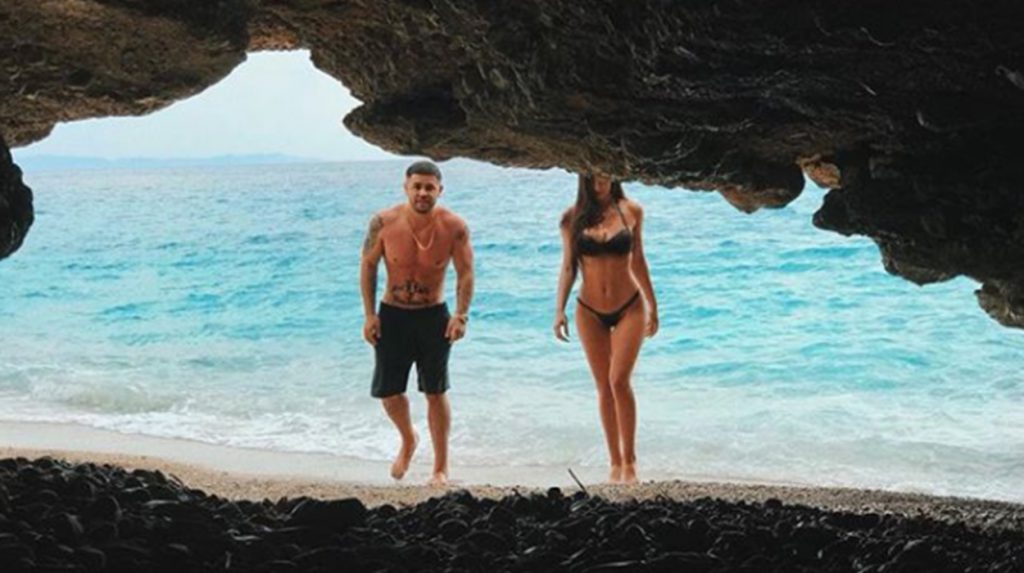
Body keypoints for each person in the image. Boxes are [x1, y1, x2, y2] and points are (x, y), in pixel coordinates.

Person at [360, 160, 474, 487]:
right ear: (406, 188)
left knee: (436, 391)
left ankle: (440, 468)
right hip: (392, 315)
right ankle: (408, 438)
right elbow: (368, 266)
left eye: (429, 187)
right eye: (417, 186)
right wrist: (369, 315)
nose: (423, 193)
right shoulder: (383, 222)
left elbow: (466, 273)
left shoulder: (454, 227)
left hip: (433, 317)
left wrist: (461, 315)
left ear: (440, 190)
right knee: (388, 393)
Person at [553, 173, 658, 484]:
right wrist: (559, 310)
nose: (601, 177)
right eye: (594, 172)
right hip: (589, 310)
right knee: (603, 385)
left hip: (630, 306)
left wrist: (653, 304)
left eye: (606, 171)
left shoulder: (632, 211)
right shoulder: (571, 218)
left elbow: (638, 260)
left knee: (619, 380)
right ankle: (614, 462)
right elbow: (568, 266)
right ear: (584, 175)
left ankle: (630, 462)